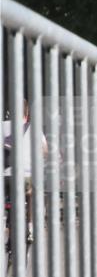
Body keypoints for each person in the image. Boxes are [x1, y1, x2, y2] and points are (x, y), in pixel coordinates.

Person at [3, 98, 49, 243]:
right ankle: (30, 229)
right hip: (25, 178)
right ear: (27, 112)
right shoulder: (33, 128)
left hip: (3, 178)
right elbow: (45, 151)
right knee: (33, 194)